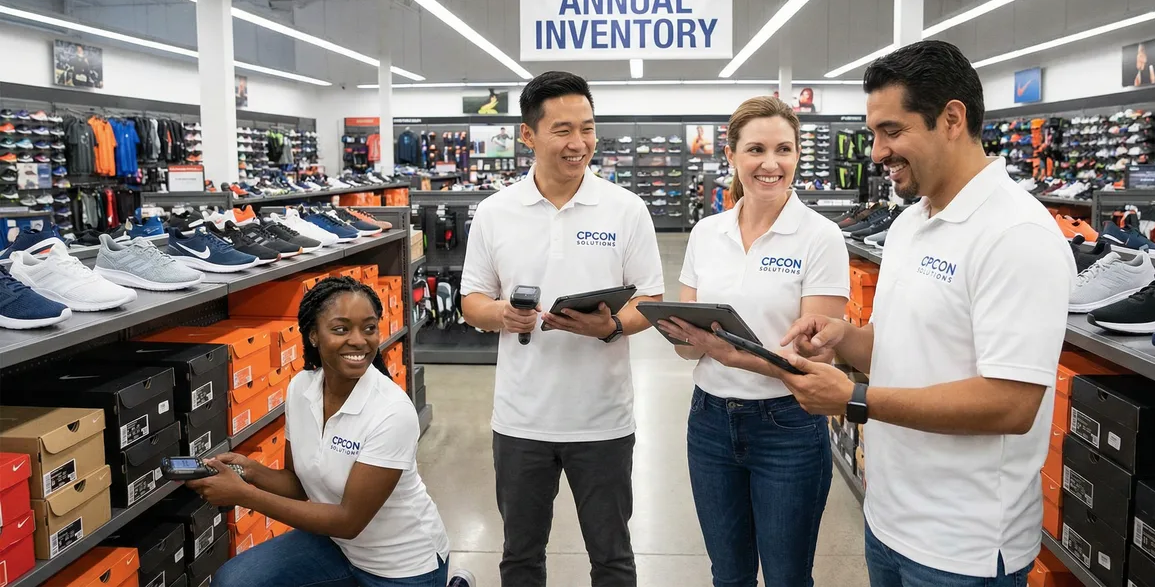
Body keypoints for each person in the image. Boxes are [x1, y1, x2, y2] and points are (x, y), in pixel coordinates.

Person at [762, 40, 1073, 586]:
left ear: (952, 118)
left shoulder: (1017, 234)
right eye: (874, 133)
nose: (877, 151)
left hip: (965, 550)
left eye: (892, 131)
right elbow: (900, 344)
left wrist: (855, 399)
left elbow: (1011, 404)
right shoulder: (910, 224)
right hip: (889, 521)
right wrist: (843, 337)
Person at [460, 70, 665, 587]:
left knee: (613, 558)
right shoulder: (494, 212)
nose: (579, 144)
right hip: (520, 421)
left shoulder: (626, 210)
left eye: (588, 129)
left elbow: (652, 300)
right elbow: (471, 301)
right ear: (527, 135)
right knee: (521, 558)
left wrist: (611, 326)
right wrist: (503, 315)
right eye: (563, 130)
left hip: (603, 421)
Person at [656, 96, 849, 586]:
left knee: (787, 577)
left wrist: (733, 354)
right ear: (731, 155)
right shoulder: (706, 233)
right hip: (709, 421)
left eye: (784, 149)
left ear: (798, 154)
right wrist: (684, 335)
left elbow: (818, 359)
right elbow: (685, 349)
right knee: (730, 575)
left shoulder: (820, 237)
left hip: (787, 425)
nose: (770, 163)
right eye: (756, 149)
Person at [189, 277, 451, 587]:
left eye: (369, 328)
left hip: (401, 566)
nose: (359, 341)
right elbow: (298, 485)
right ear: (313, 335)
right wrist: (250, 471)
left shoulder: (393, 411)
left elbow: (349, 521)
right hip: (338, 547)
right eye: (341, 329)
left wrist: (244, 495)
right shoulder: (301, 388)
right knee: (235, 581)